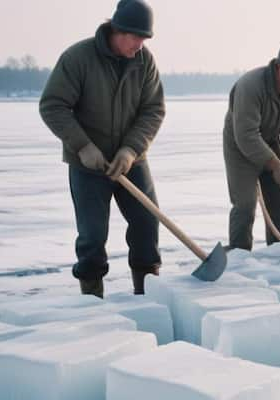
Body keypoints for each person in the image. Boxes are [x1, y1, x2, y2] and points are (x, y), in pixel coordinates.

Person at [39, 0, 165, 297]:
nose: (140, 45)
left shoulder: (144, 62)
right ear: (118, 30)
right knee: (93, 236)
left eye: (145, 39)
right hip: (88, 165)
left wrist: (131, 150)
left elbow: (153, 110)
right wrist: (82, 146)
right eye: (136, 38)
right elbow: (53, 105)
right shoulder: (78, 58)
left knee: (147, 223)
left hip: (131, 162)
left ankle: (147, 295)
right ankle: (92, 304)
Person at [223, 42, 280, 251]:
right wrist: (276, 166)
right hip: (239, 144)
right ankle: (239, 256)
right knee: (245, 205)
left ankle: (279, 254)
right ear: (279, 68)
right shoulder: (251, 86)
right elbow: (246, 135)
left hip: (270, 141)